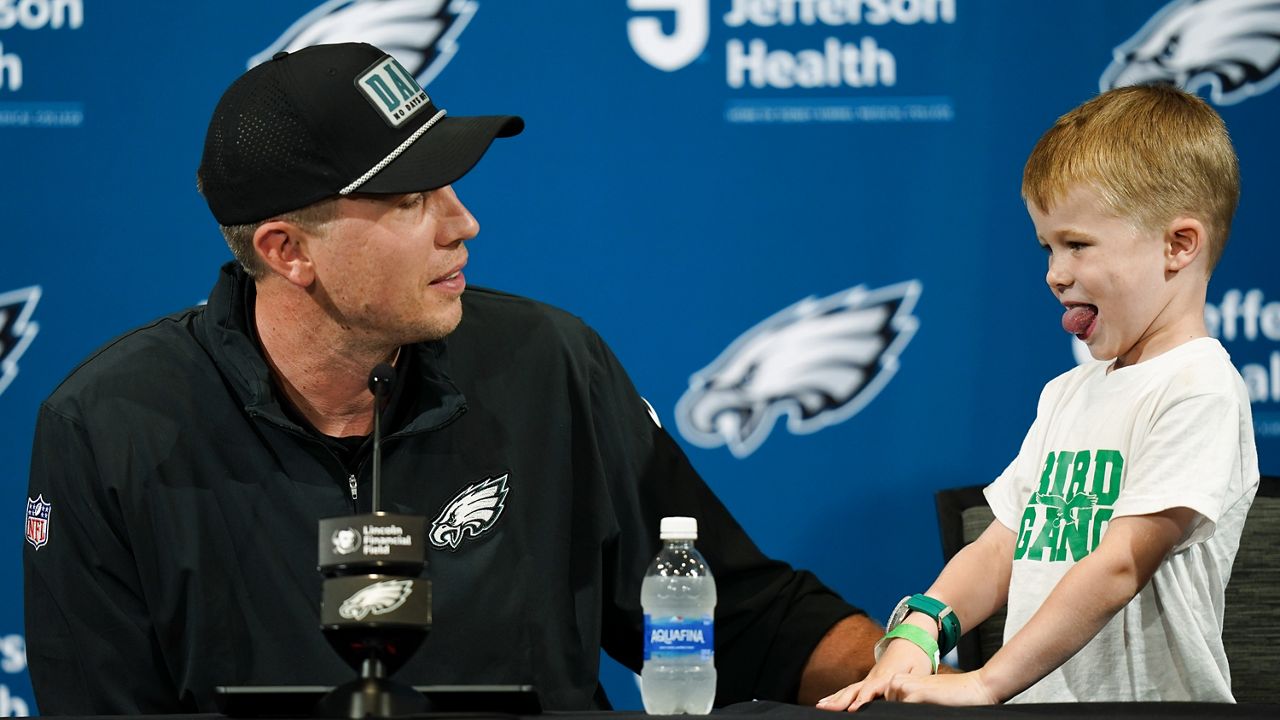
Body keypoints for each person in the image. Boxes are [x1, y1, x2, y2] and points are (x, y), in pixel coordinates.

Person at [22, 42, 882, 715]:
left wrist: (919, 667)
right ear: (287, 252)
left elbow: (735, 616)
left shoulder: (550, 362)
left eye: (452, 187)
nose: (463, 222)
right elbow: (99, 706)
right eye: (409, 199)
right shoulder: (110, 427)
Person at [817, 84, 1259, 710]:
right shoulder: (1065, 395)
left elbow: (1121, 564)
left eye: (1077, 244)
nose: (1055, 272)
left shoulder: (1200, 389)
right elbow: (1002, 546)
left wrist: (986, 679)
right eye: (1047, 247)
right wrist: (918, 635)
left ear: (1178, 245)